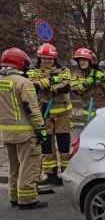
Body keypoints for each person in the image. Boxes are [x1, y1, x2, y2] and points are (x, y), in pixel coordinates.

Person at [1, 48, 48, 209]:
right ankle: (28, 200)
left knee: (14, 167)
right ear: (20, 63)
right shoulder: (24, 83)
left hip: (7, 133)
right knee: (29, 166)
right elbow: (32, 109)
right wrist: (41, 129)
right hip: (26, 134)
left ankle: (14, 197)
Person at [27, 42, 72, 185]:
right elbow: (33, 85)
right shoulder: (33, 71)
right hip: (44, 115)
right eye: (44, 58)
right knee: (47, 146)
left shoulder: (64, 70)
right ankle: (50, 174)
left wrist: (46, 85)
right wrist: (52, 80)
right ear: (40, 58)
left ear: (55, 59)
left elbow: (65, 86)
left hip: (62, 115)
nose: (47, 61)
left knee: (64, 145)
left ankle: (67, 173)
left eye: (50, 58)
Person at [70, 48, 105, 120]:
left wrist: (103, 79)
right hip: (87, 111)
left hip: (102, 111)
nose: (81, 62)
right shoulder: (77, 75)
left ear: (91, 61)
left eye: (84, 60)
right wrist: (86, 83)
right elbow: (76, 91)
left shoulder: (103, 73)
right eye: (80, 60)